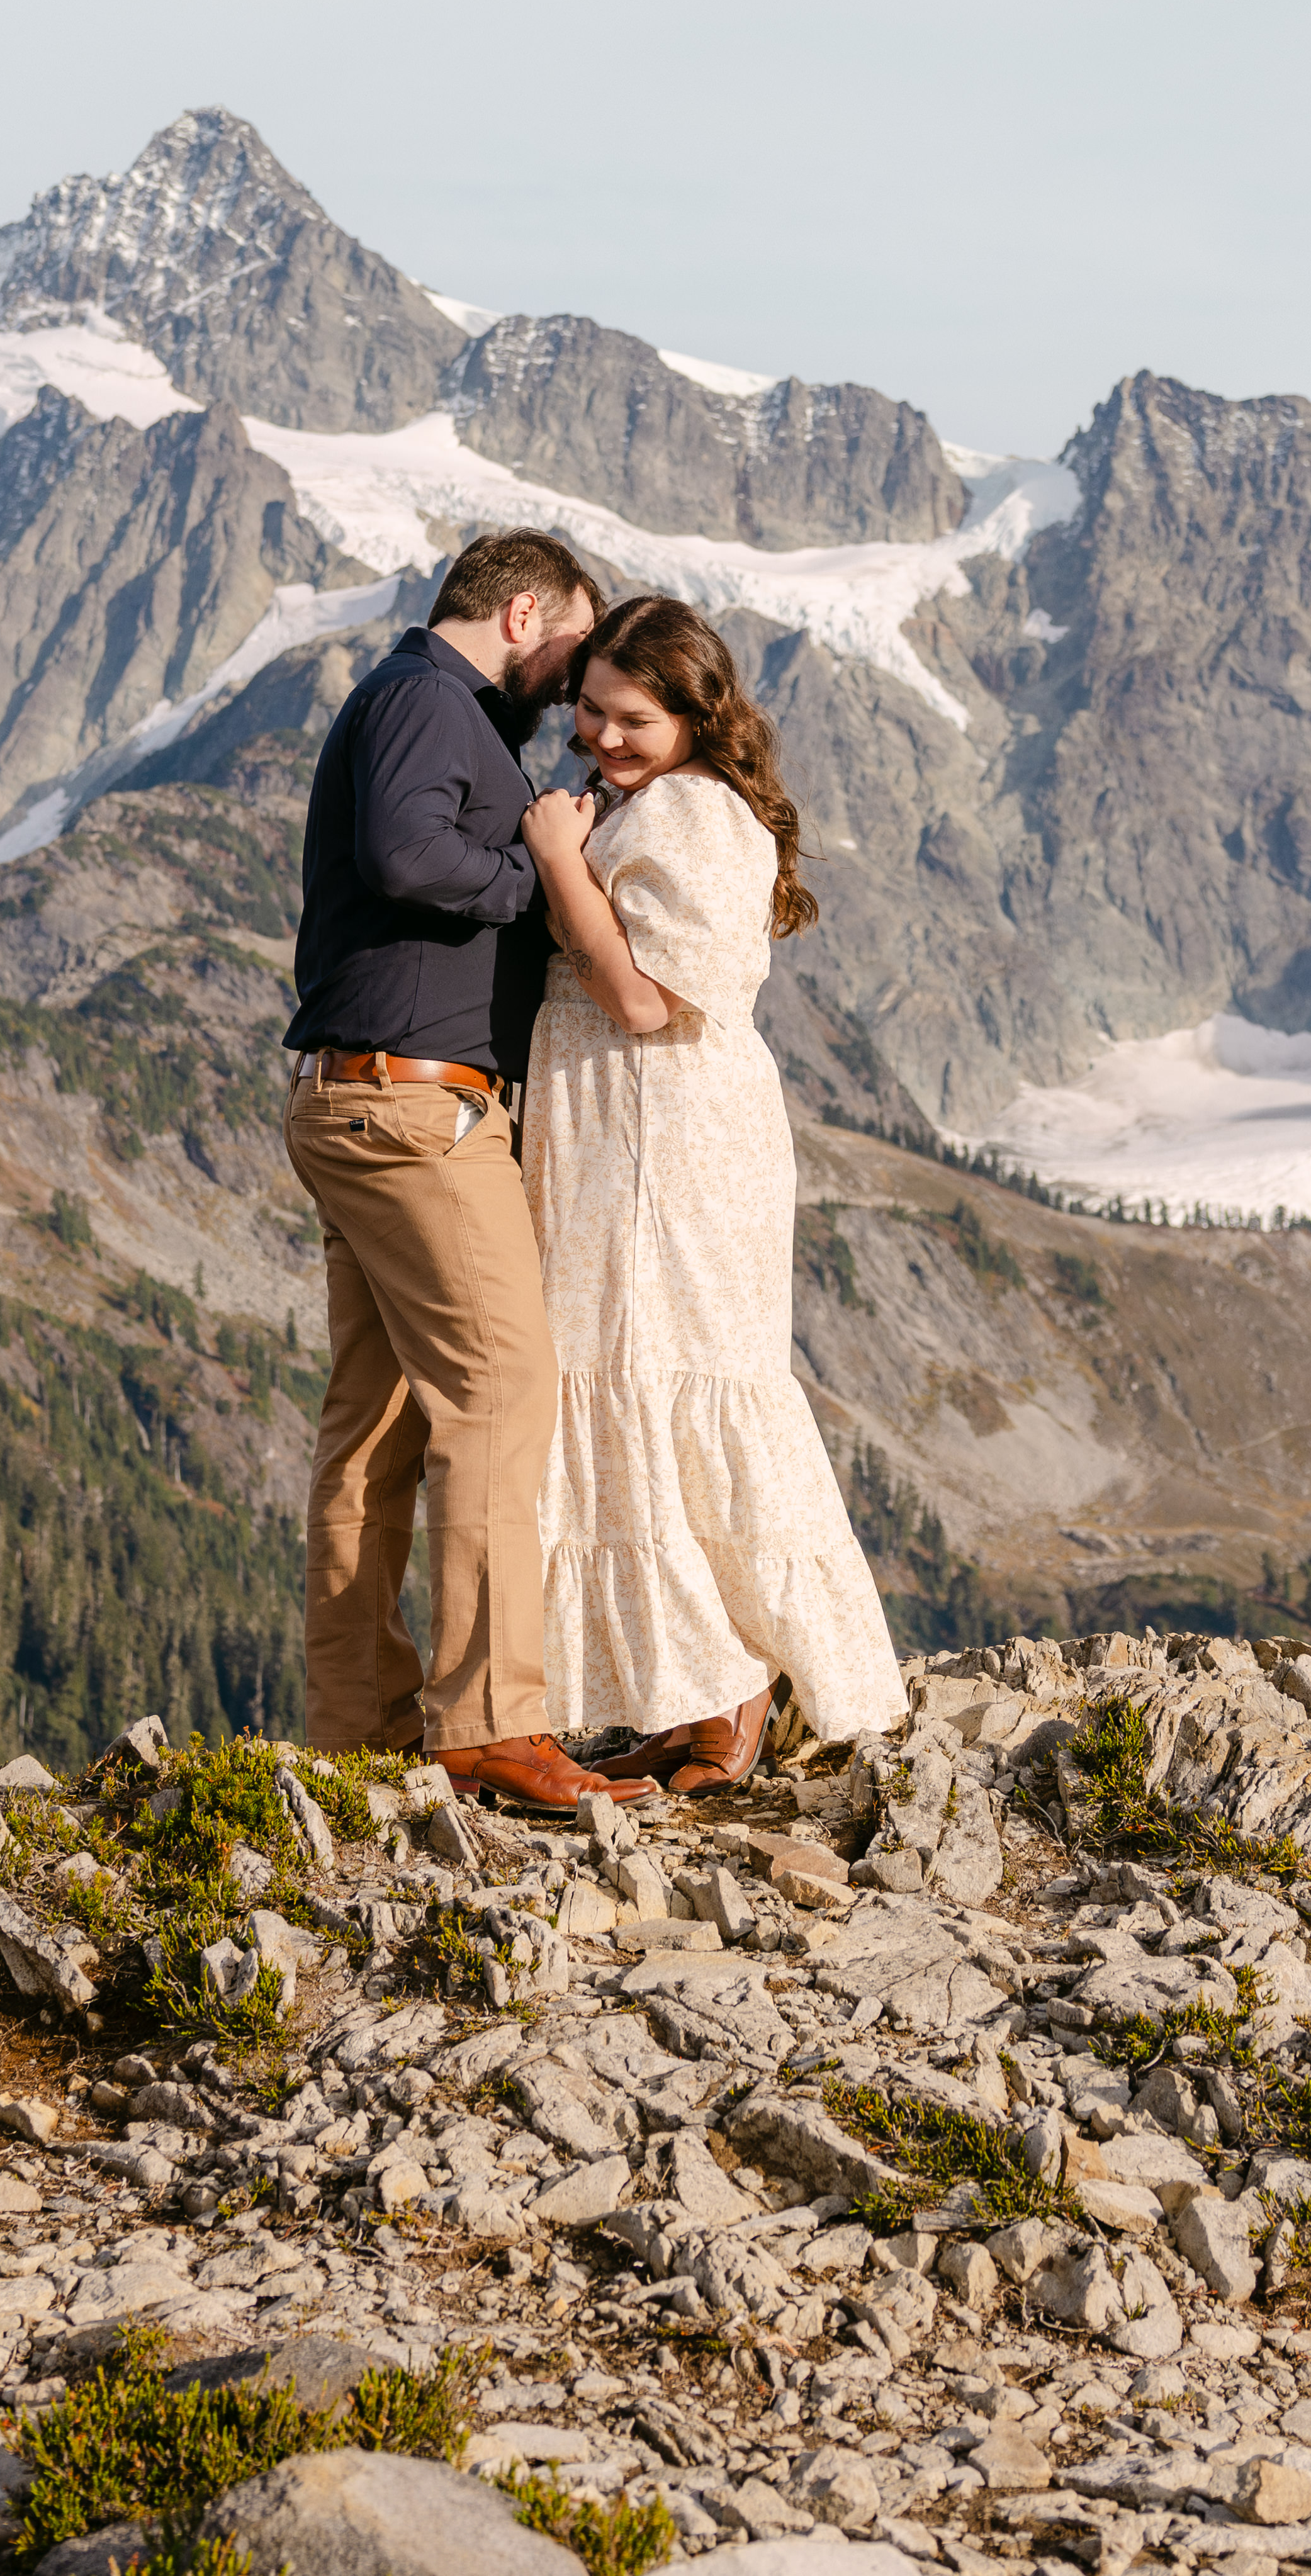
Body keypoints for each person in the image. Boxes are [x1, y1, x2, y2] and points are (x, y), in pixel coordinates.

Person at [515, 595, 910, 1793]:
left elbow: (643, 999)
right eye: (590, 709)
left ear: (696, 714)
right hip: (628, 1131)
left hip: (662, 1140)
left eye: (633, 718)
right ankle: (693, 1696)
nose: (601, 737)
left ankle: (733, 1694)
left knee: (658, 1374)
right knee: (639, 1377)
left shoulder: (693, 813)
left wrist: (552, 858)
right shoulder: (658, 802)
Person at [282, 526, 639, 1816]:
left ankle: (360, 1723)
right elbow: (405, 857)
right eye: (578, 639)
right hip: (413, 1108)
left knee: (373, 1423)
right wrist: (541, 875)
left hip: (362, 1095)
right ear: (523, 605)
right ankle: (488, 1720)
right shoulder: (433, 701)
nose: (581, 670)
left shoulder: (414, 701)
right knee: (503, 1383)